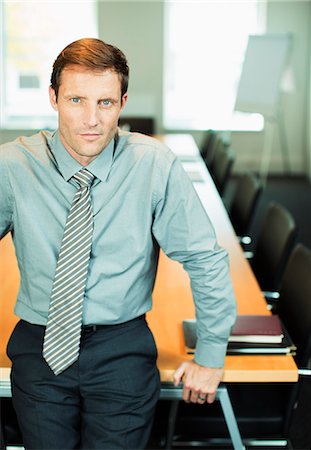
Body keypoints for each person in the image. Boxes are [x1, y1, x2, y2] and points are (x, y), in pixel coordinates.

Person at [0, 38, 236, 449]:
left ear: (122, 102)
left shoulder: (153, 164)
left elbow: (204, 258)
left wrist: (210, 355)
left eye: (105, 103)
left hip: (121, 348)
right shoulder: (13, 166)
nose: (91, 119)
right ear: (53, 97)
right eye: (76, 99)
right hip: (39, 347)